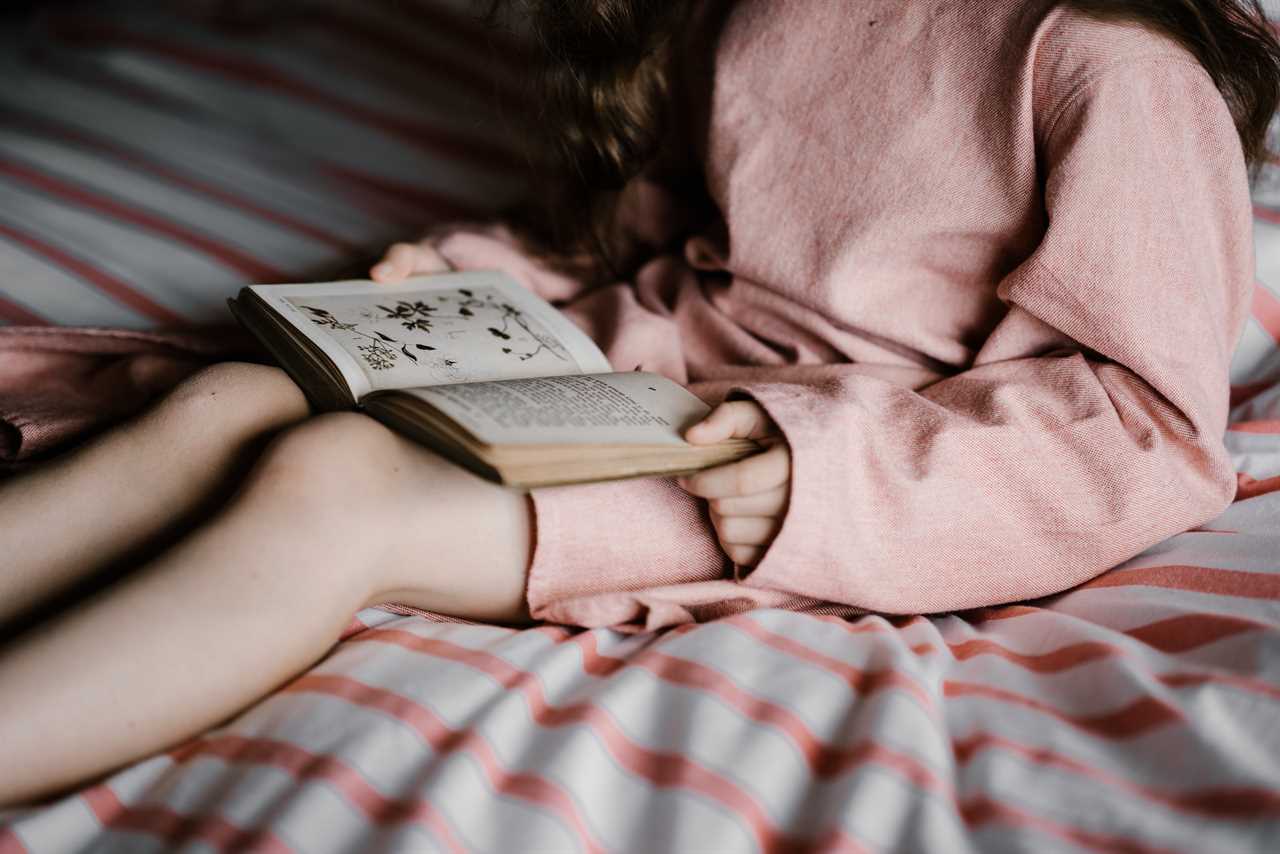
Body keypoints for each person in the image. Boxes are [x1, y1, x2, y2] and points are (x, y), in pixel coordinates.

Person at [0, 0, 1276, 809]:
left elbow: (1143, 425)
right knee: (225, 399)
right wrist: (482, 282)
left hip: (794, 467)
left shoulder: (1108, 65)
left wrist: (818, 471)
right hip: (625, 377)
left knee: (330, 484)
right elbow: (675, 238)